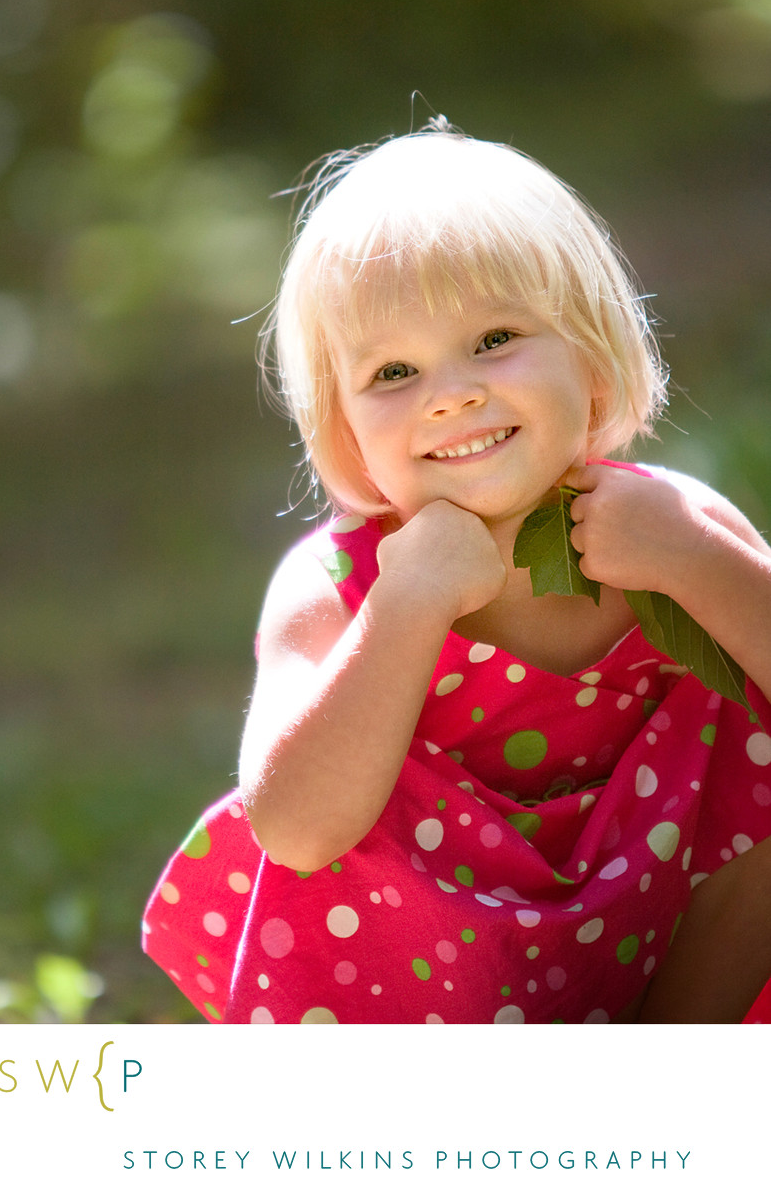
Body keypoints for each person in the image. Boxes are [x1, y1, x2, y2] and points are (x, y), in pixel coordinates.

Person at [142, 121, 771, 1024]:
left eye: (493, 338)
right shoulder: (336, 587)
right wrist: (405, 604)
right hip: (437, 991)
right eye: (392, 369)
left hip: (662, 951)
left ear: (590, 354)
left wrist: (696, 561)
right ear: (342, 423)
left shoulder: (675, 529)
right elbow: (294, 829)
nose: (449, 393)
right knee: (341, 784)